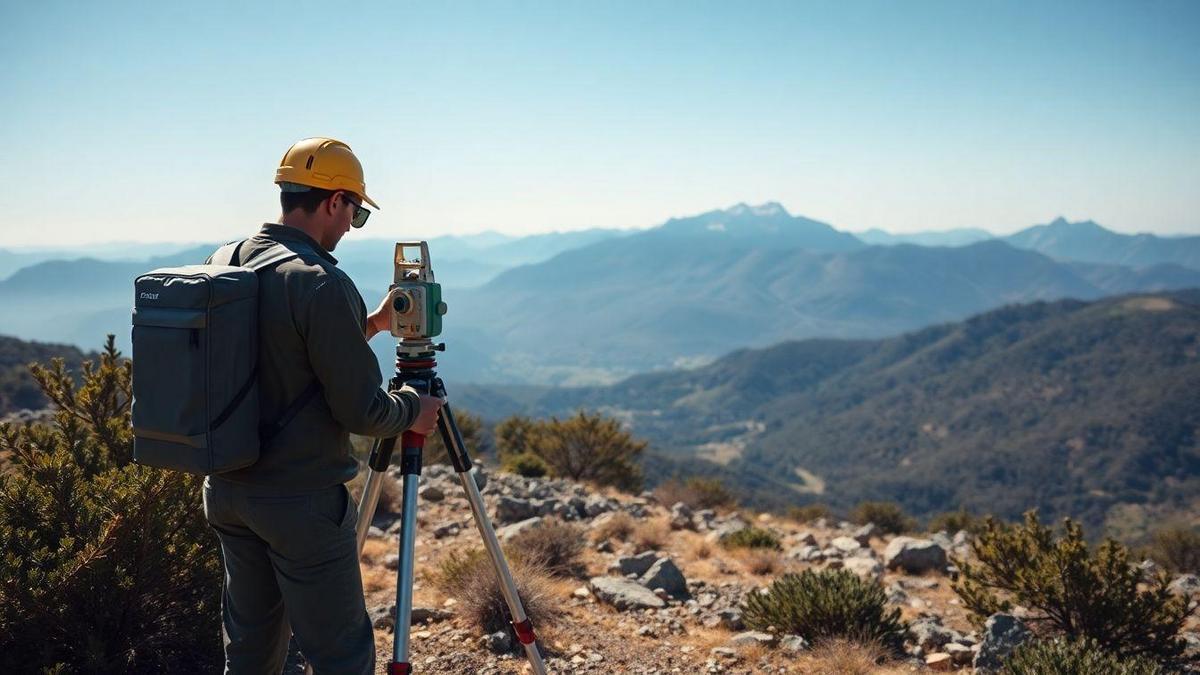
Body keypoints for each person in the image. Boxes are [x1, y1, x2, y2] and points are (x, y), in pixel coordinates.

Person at [201, 137, 443, 674]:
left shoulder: (229, 260)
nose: (351, 226)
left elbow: (281, 357)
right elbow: (363, 412)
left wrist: (373, 325)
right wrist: (411, 408)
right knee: (341, 656)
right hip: (300, 503)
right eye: (355, 213)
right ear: (335, 201)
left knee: (249, 653)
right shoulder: (321, 281)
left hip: (228, 491)